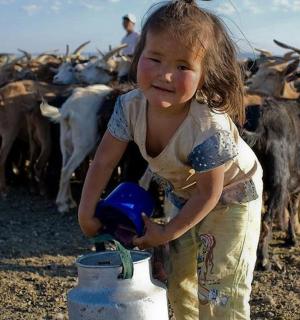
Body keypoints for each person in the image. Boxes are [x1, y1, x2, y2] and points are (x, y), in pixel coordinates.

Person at [78, 1, 263, 319]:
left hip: (231, 197)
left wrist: (167, 231)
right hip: (185, 194)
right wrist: (86, 210)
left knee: (218, 286)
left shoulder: (206, 125)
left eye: (183, 66)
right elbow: (103, 162)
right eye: (154, 59)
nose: (165, 74)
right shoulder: (130, 107)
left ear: (205, 74)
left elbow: (210, 193)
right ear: (138, 57)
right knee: (180, 282)